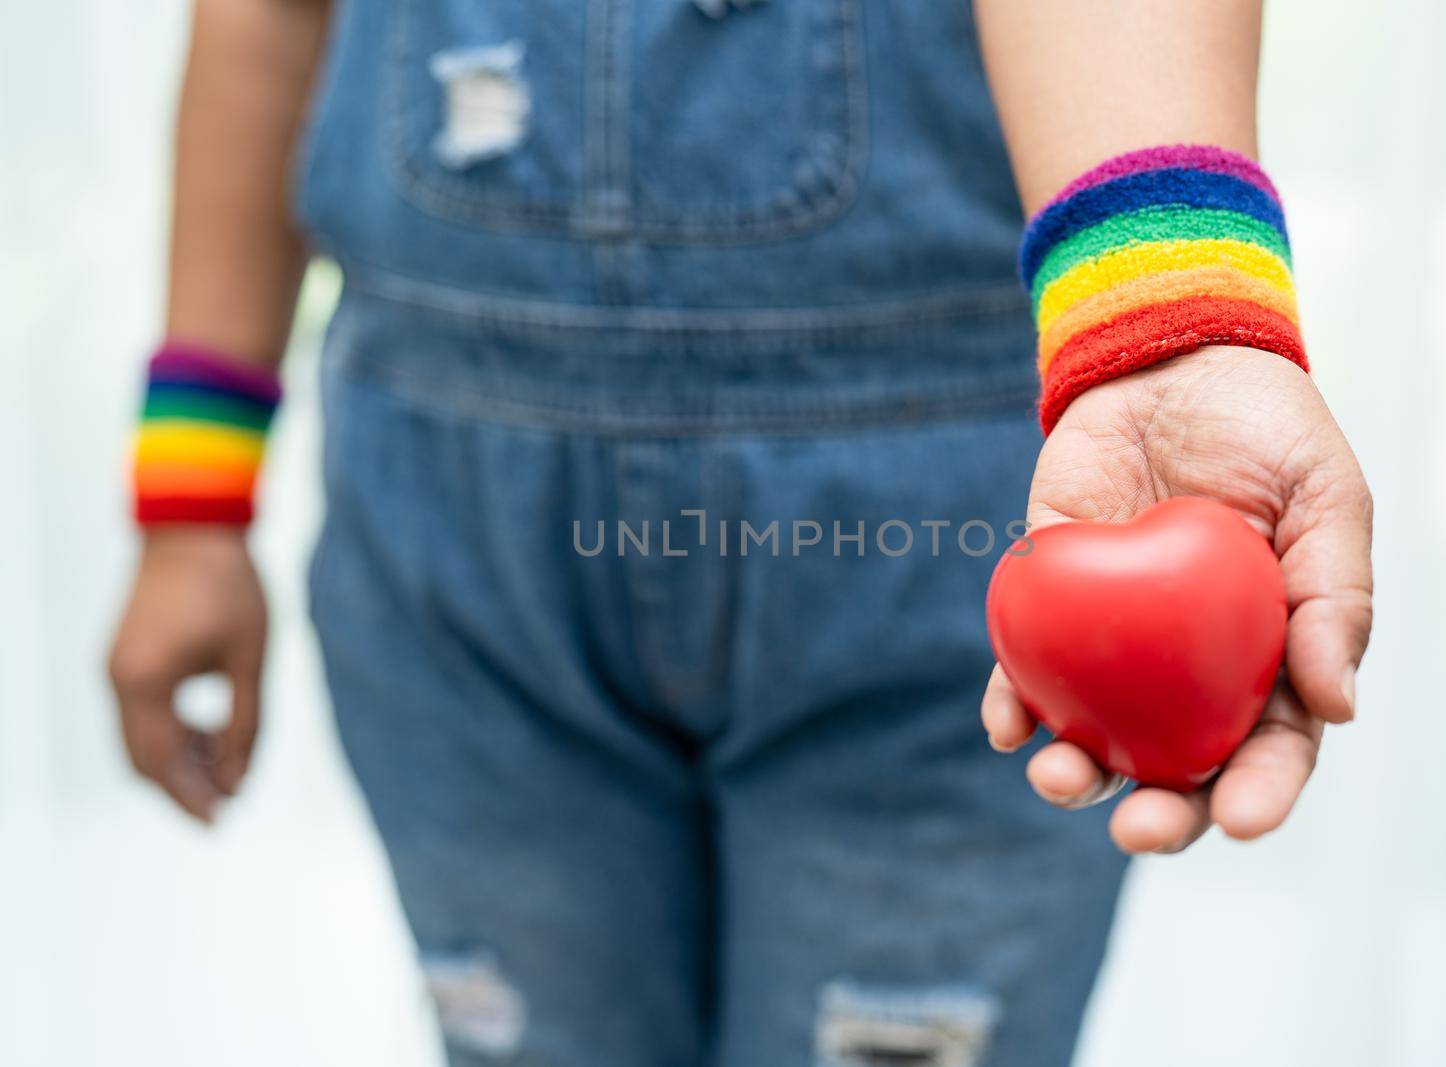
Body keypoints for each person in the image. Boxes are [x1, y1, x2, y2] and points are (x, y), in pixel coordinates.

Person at [107, 1, 1374, 1064]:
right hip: (456, 569)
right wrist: (191, 505)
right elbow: (269, 17)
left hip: (959, 551)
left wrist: (1177, 337)